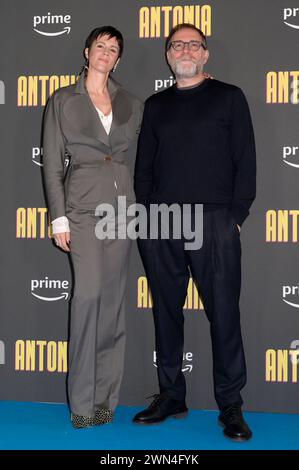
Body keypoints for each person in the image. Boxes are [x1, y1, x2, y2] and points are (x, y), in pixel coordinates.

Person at [133, 23, 256, 442]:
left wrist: (234, 217)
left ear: (205, 55)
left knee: (223, 314)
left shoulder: (229, 98)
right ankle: (171, 395)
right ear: (168, 55)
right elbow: (144, 169)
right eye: (177, 45)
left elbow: (246, 163)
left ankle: (231, 405)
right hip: (161, 223)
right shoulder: (155, 105)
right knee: (165, 312)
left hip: (215, 221)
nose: (185, 50)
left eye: (193, 44)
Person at [43, 26, 143, 428]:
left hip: (122, 211)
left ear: (118, 59)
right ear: (87, 52)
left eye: (113, 48)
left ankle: (106, 399)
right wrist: (58, 216)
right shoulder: (63, 101)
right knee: (86, 300)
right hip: (81, 210)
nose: (105, 52)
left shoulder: (133, 103)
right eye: (100, 46)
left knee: (113, 305)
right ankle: (82, 405)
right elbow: (52, 164)